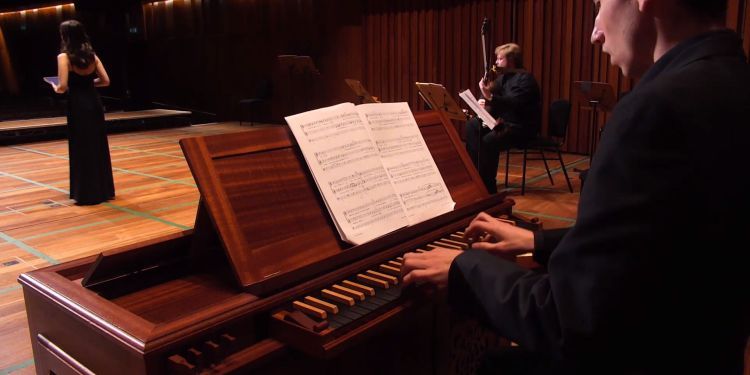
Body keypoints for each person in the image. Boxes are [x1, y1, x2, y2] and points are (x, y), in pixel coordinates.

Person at [402, 0, 749, 373]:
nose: (595, 31)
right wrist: (538, 242)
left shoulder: (656, 109)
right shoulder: (734, 81)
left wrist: (464, 268)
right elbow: (656, 247)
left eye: (600, 4)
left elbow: (571, 323)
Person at [49, 20, 114, 206]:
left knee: (81, 146)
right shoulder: (92, 56)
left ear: (65, 36)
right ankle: (104, 190)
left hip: (77, 104)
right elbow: (106, 81)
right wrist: (87, 83)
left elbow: (62, 87)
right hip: (94, 103)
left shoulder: (63, 57)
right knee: (97, 144)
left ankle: (86, 192)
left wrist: (54, 86)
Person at [465, 43, 541, 194]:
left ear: (511, 60)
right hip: (503, 124)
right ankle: (476, 177)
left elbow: (514, 104)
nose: (496, 62)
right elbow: (492, 99)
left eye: (500, 59)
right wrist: (483, 101)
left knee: (487, 141)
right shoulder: (503, 78)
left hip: (520, 127)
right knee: (472, 126)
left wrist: (490, 97)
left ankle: (488, 186)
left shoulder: (525, 79)